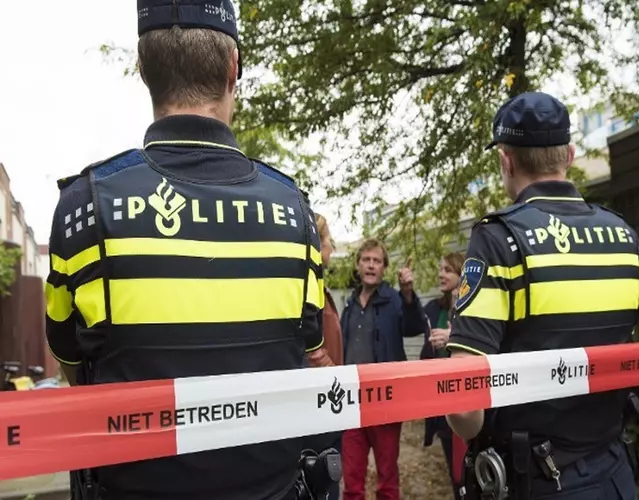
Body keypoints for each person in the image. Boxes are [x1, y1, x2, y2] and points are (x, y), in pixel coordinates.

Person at [44, 2, 327, 499]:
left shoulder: (84, 207)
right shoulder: (295, 211)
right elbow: (307, 349)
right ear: (233, 66)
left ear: (143, 66)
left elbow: (73, 366)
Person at [445, 91, 639, 500]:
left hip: (534, 480)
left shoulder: (499, 238)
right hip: (615, 472)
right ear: (569, 155)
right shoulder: (625, 236)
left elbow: (464, 405)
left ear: (506, 160)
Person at [339, 239, 428, 500]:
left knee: (387, 480)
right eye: (366, 259)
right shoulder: (350, 302)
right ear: (358, 265)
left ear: (384, 268)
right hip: (351, 401)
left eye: (377, 261)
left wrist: (408, 294)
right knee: (352, 481)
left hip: (385, 401)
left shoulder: (395, 299)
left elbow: (413, 327)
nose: (370, 265)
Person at [419, 251, 466, 500]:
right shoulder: (435, 308)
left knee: (469, 472)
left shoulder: (473, 307)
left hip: (467, 403)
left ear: (462, 274)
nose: (441, 274)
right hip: (442, 403)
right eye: (440, 269)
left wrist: (453, 338)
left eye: (448, 270)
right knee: (455, 474)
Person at [311, 213, 344, 500]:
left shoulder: (323, 289)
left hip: (330, 409)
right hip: (318, 409)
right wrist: (337, 379)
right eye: (328, 239)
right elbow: (311, 350)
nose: (331, 245)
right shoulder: (307, 291)